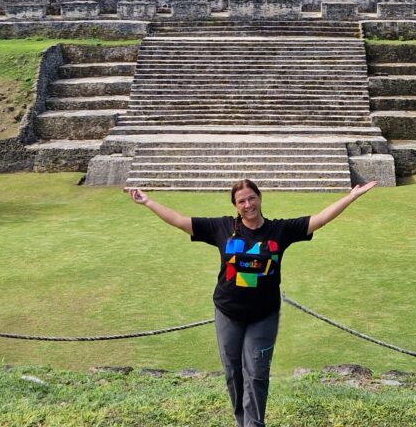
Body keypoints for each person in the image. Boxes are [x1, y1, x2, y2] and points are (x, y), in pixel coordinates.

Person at [126, 178, 377, 427]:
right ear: (236, 205)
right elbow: (180, 221)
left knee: (256, 374)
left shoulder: (279, 231)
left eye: (251, 198)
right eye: (241, 201)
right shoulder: (222, 228)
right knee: (233, 373)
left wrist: (352, 196)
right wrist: (148, 201)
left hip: (263, 316)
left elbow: (319, 219)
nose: (248, 204)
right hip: (228, 312)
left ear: (260, 197)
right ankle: (241, 421)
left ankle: (253, 424)